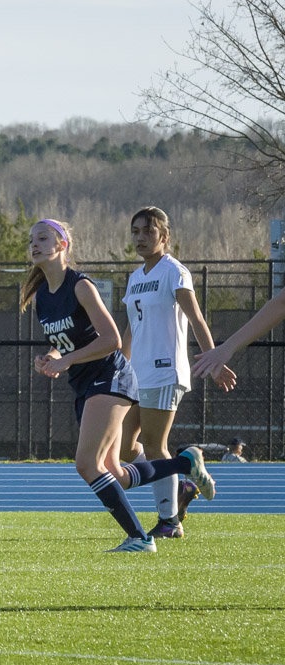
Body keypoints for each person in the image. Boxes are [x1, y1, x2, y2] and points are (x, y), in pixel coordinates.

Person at [21, 219, 214, 552]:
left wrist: (66, 360)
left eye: (43, 238)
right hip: (85, 382)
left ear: (63, 245)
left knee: (86, 464)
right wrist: (50, 356)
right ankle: (186, 463)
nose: (34, 244)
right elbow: (64, 340)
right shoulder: (41, 297)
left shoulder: (80, 286)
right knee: (116, 472)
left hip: (110, 376)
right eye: (31, 240)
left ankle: (140, 539)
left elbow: (110, 339)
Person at [117, 207, 226, 539]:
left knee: (153, 445)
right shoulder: (136, 277)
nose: (140, 237)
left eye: (148, 232)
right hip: (137, 374)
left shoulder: (174, 272)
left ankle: (169, 521)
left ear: (163, 236)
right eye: (135, 231)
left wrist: (213, 359)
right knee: (121, 448)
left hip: (165, 371)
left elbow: (195, 317)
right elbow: (132, 328)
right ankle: (183, 472)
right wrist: (119, 366)